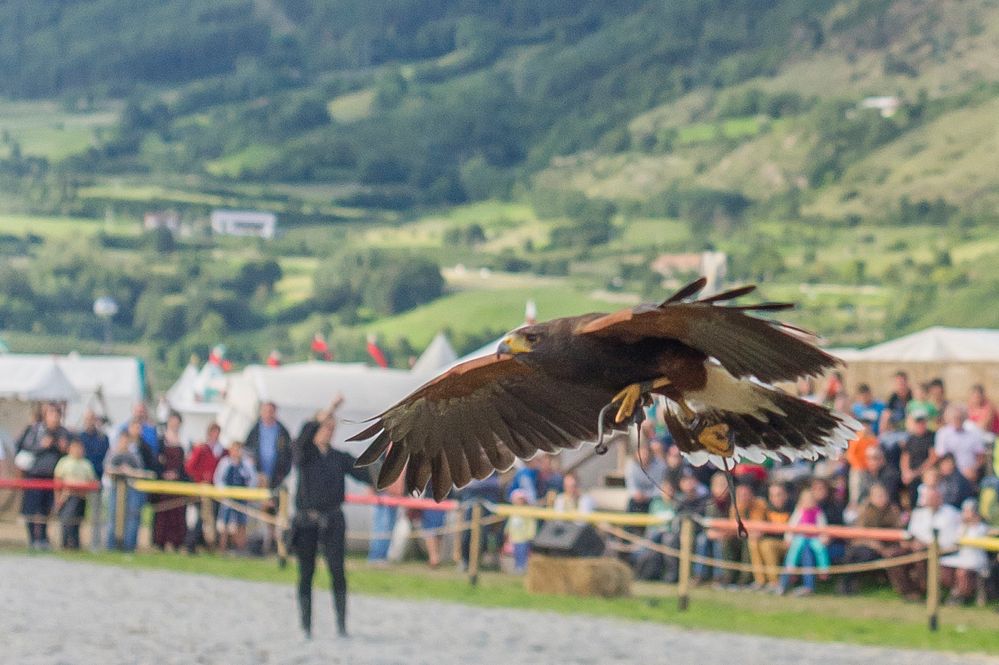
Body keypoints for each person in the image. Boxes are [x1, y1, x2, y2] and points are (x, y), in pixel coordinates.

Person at [291, 409, 373, 638]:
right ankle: (306, 626)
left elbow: (366, 471)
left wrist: (390, 464)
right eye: (324, 427)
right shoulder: (304, 452)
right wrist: (328, 409)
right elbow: (304, 435)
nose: (328, 431)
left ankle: (341, 625)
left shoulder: (339, 457)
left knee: (337, 572)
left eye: (331, 428)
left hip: (333, 520)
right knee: (306, 572)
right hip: (307, 521)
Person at [885, 485, 961, 600]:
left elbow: (950, 540)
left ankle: (926, 590)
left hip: (939, 550)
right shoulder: (919, 513)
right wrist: (911, 543)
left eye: (933, 498)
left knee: (919, 555)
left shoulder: (951, 514)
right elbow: (911, 534)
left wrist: (926, 545)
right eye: (928, 498)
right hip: (916, 547)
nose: (930, 501)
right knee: (893, 555)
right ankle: (908, 591)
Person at [836, 483, 902, 594]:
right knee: (855, 554)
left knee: (863, 554)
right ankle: (846, 584)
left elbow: (898, 533)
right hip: (868, 545)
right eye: (878, 496)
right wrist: (873, 544)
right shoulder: (865, 511)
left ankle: (848, 583)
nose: (882, 498)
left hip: (888, 548)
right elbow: (858, 534)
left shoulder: (893, 511)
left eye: (883, 495)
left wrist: (883, 548)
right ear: (871, 498)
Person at [104, 420, 159, 552]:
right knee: (113, 517)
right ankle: (111, 546)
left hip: (133, 490)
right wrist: (120, 471)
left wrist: (130, 472)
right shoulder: (113, 453)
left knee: (133, 517)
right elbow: (107, 469)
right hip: (115, 489)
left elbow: (141, 471)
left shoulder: (134, 455)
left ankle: (129, 546)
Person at [183, 423, 227, 553]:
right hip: (201, 489)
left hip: (215, 490)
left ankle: (207, 544)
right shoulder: (201, 449)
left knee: (212, 518)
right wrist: (201, 478)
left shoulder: (222, 451)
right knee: (199, 518)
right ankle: (191, 544)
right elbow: (190, 467)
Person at [777, 489, 830, 596]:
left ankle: (824, 570)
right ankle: (788, 576)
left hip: (813, 539)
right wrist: (788, 538)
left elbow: (822, 526)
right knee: (795, 549)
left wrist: (824, 537)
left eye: (811, 500)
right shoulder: (799, 511)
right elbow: (792, 525)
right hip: (801, 538)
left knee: (819, 549)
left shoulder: (818, 512)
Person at [940, 498, 990, 605]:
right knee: (944, 567)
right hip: (961, 556)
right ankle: (953, 591)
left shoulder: (981, 527)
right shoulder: (961, 527)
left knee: (962, 572)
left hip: (975, 558)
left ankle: (962, 594)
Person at [20, 432, 63, 549]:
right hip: (34, 477)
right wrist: (41, 446)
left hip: (50, 478)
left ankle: (43, 538)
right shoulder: (34, 431)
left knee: (46, 510)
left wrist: (61, 446)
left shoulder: (62, 432)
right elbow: (23, 447)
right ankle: (32, 539)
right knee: (31, 509)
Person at [152, 411, 187, 551]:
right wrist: (164, 474)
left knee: (176, 513)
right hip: (164, 483)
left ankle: (176, 542)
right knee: (163, 513)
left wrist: (177, 474)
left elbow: (184, 465)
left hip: (177, 482)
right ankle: (159, 542)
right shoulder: (161, 440)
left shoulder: (183, 440)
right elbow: (158, 461)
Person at [694, 472, 737, 585]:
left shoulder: (734, 503)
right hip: (711, 533)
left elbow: (735, 524)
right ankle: (699, 575)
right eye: (718, 485)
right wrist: (708, 531)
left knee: (720, 543)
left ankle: (721, 576)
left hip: (729, 535)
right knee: (701, 539)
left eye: (724, 485)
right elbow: (703, 522)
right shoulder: (707, 503)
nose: (721, 488)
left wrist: (724, 533)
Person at [53, 439, 97, 550]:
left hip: (81, 497)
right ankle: (65, 543)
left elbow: (92, 480)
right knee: (66, 520)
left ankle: (75, 545)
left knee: (77, 521)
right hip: (67, 496)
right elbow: (57, 479)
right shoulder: (64, 462)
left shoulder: (86, 464)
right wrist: (57, 498)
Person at [213, 441, 257, 552]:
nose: (236, 452)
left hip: (241, 498)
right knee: (225, 523)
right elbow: (218, 479)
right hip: (228, 498)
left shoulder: (246, 464)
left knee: (241, 523)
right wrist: (224, 491)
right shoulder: (225, 463)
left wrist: (248, 492)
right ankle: (222, 547)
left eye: (239, 449)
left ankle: (241, 548)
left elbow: (253, 479)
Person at [243, 401, 293, 490]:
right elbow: (247, 450)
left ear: (275, 413)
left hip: (276, 479)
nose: (268, 414)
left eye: (271, 411)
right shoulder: (254, 431)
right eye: (265, 411)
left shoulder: (283, 432)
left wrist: (282, 474)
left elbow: (289, 454)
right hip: (256, 479)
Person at [934, 405, 987, 483]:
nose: (957, 420)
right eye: (955, 418)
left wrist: (974, 469)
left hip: (970, 473)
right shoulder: (943, 433)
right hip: (950, 474)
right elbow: (940, 456)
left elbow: (981, 457)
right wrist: (956, 471)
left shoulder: (973, 434)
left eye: (960, 417)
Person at [758, 481, 793, 590]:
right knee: (756, 543)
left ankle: (776, 583)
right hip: (773, 542)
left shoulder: (793, 508)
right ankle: (760, 581)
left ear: (786, 495)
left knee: (766, 545)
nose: (775, 498)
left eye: (779, 495)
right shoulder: (766, 509)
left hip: (790, 543)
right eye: (772, 495)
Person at [900, 412, 936, 509]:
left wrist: (917, 473)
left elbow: (933, 458)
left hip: (925, 472)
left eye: (922, 422)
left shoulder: (931, 436)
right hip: (911, 473)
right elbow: (905, 456)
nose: (920, 425)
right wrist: (905, 472)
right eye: (918, 423)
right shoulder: (911, 438)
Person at [625, 441, 667, 513]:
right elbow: (631, 484)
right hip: (637, 497)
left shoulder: (660, 465)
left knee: (656, 504)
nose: (643, 456)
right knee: (632, 504)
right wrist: (636, 494)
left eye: (645, 453)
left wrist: (647, 495)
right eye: (641, 453)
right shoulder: (631, 466)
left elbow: (660, 486)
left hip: (654, 497)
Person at [845, 418, 879, 507]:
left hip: (870, 470)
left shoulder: (873, 439)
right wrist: (859, 466)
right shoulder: (856, 438)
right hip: (858, 469)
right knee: (856, 492)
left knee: (869, 490)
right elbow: (850, 455)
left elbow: (876, 454)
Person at [504, 489, 537, 573]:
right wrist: (507, 532)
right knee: (516, 553)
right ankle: (517, 566)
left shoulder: (527, 510)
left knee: (523, 553)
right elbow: (510, 523)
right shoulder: (513, 510)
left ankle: (521, 566)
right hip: (515, 537)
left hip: (524, 537)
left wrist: (530, 534)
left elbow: (531, 523)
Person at [77, 409, 109, 479]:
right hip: (82, 475)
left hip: (98, 474)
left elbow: (105, 456)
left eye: (92, 418)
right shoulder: (79, 438)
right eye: (87, 419)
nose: (89, 421)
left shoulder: (103, 438)